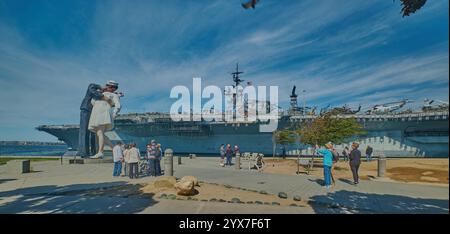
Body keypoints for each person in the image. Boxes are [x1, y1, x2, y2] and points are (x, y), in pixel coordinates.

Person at [77, 83, 112, 158]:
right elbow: (92, 91)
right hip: (86, 110)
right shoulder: (93, 86)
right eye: (108, 87)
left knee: (94, 132)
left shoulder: (102, 93)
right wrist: (103, 95)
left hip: (94, 112)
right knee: (84, 131)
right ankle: (83, 152)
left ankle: (94, 152)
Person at [88, 81, 121, 159]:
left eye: (110, 87)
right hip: (96, 112)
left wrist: (114, 114)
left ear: (114, 88)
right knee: (99, 134)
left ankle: (100, 152)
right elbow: (92, 102)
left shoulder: (114, 95)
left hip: (103, 113)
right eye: (107, 86)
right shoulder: (100, 94)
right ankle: (115, 149)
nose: (107, 87)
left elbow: (118, 105)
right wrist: (100, 93)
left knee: (100, 133)